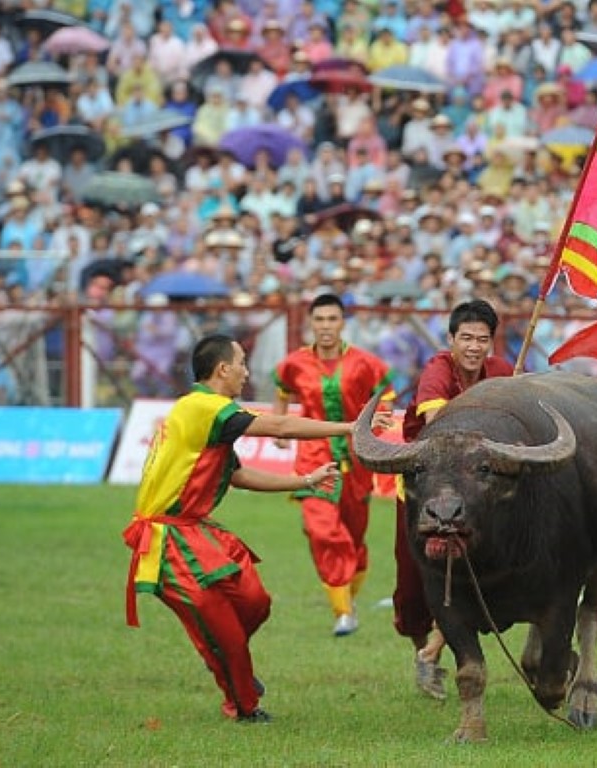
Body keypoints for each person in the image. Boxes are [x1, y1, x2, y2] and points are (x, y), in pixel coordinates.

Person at [122, 334, 387, 723]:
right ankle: (243, 705)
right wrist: (350, 428)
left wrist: (305, 480)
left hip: (195, 530)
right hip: (168, 539)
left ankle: (226, 659)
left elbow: (238, 475)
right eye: (242, 362)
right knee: (227, 636)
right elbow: (279, 425)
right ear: (222, 369)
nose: (247, 371)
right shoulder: (203, 407)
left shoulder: (205, 411)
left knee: (255, 602)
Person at [394, 299, 514, 699]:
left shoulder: (502, 373)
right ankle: (423, 650)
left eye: (483, 339)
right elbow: (438, 428)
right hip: (424, 490)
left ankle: (431, 652)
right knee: (413, 587)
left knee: (475, 574)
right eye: (466, 338)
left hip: (479, 494)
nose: (475, 347)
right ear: (451, 340)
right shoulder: (437, 371)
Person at [271, 293, 396, 636]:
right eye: (319, 319)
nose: (325, 326)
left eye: (332, 319)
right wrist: (279, 426)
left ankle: (349, 601)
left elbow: (384, 399)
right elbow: (282, 392)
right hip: (312, 456)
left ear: (343, 323)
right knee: (322, 528)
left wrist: (380, 421)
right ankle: (343, 612)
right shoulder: (293, 363)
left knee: (354, 537)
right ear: (310, 323)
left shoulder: (366, 363)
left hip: (356, 460)